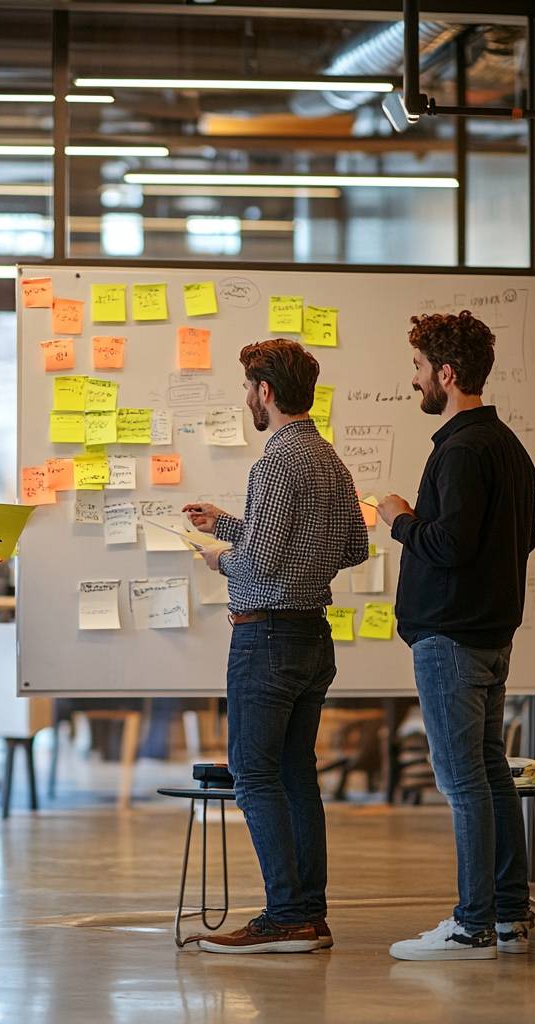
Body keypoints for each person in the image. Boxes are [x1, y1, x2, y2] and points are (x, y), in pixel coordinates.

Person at [183, 338, 368, 954]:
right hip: (313, 635)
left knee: (255, 775)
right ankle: (309, 914)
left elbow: (260, 560)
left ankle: (286, 916)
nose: (246, 400)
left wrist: (219, 556)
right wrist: (228, 524)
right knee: (296, 778)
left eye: (247, 389)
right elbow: (350, 550)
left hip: (264, 637)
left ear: (265, 392)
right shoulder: (328, 459)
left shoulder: (274, 463)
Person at [378, 311, 535, 962]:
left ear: (447, 374)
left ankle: (472, 926)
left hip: (451, 638)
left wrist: (400, 519)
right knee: (491, 775)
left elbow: (450, 543)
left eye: (418, 368)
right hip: (489, 635)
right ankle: (508, 917)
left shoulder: (463, 449)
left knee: (463, 783)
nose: (413, 380)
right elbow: (517, 542)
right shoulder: (506, 445)